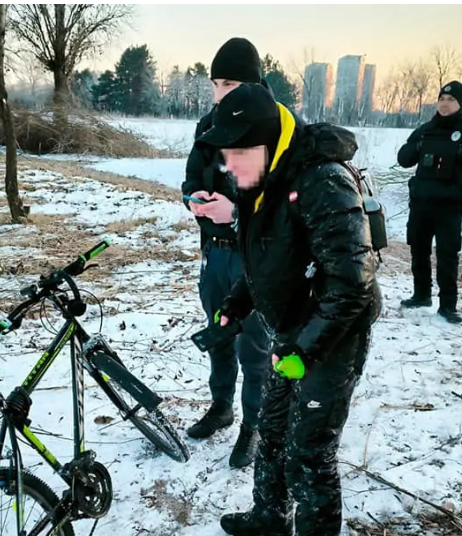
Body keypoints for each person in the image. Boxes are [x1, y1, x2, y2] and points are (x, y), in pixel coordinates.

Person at [195, 84, 382, 536]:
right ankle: (269, 519)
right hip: (291, 332)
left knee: (309, 451)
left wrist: (306, 348)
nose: (228, 166)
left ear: (265, 143)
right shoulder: (261, 182)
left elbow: (352, 282)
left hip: (332, 336)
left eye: (237, 154)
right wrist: (236, 304)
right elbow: (267, 257)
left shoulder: (323, 181)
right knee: (273, 432)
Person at [181, 38, 270, 468]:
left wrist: (235, 213)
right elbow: (191, 174)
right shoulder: (208, 125)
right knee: (218, 333)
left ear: (252, 83)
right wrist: (192, 198)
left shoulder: (267, 127)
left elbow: (274, 204)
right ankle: (222, 408)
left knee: (254, 346)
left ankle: (254, 426)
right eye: (216, 83)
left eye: (230, 82)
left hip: (251, 258)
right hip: (212, 254)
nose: (221, 93)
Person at [397, 80, 462, 323]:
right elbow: (403, 158)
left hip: (449, 204)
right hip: (421, 201)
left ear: (461, 103)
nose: (445, 104)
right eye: (442, 99)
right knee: (418, 250)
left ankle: (448, 306)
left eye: (451, 100)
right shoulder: (426, 129)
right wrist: (418, 147)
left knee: (447, 255)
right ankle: (421, 295)